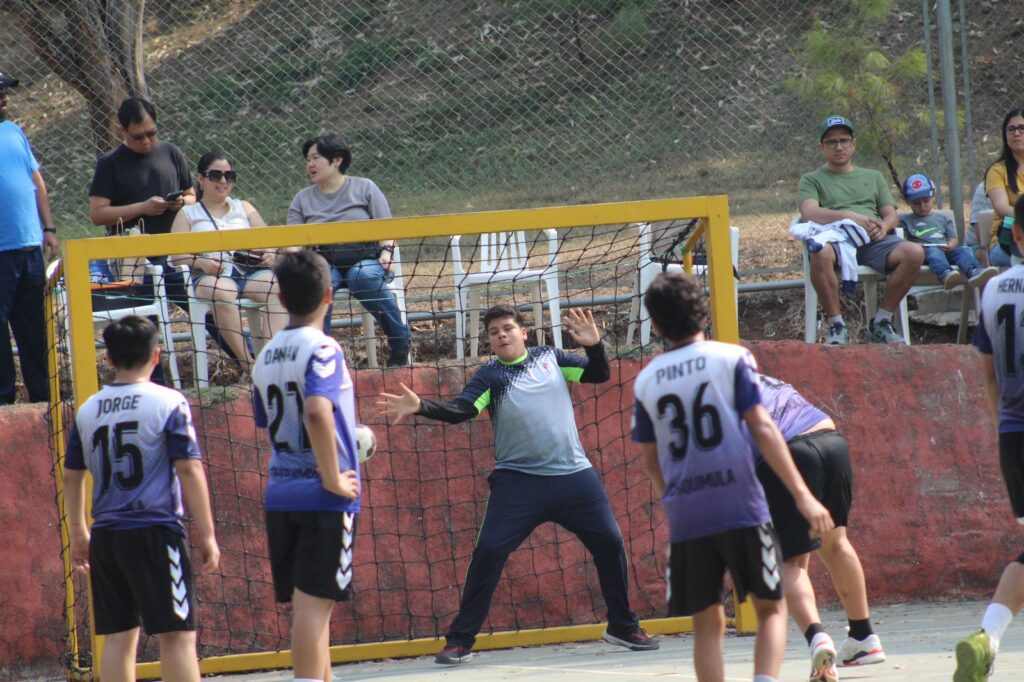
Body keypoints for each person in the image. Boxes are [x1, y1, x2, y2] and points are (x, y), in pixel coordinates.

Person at [378, 304, 658, 665]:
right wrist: (422, 407)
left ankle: (622, 626)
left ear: (524, 333)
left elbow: (599, 374)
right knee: (490, 551)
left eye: (508, 328)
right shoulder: (490, 377)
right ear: (490, 342)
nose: (501, 335)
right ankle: (460, 640)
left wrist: (594, 346)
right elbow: (463, 409)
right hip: (518, 483)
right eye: (494, 332)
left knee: (610, 541)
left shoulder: (551, 358)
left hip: (574, 477)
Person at [632, 271, 833, 682]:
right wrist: (802, 494)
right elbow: (761, 427)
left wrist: (673, 501)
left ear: (655, 324)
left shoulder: (647, 380)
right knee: (771, 607)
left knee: (707, 627)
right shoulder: (732, 358)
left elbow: (652, 460)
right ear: (703, 312)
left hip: (688, 516)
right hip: (741, 505)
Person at [62, 316, 219, 682]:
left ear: (109, 360)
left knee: (117, 638)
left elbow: (72, 475)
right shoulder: (168, 402)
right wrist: (208, 533)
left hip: (106, 536)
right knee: (177, 636)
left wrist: (79, 531)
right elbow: (189, 469)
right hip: (155, 532)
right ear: (157, 355)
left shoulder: (88, 410)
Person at [251, 249, 361, 682]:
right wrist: (332, 475)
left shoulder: (264, 357)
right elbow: (316, 412)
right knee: (315, 610)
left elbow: (269, 422)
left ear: (279, 297)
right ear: (329, 295)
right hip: (322, 496)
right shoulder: (324, 348)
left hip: (281, 492)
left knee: (310, 608)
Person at [753, 373, 886, 680]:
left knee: (790, 561)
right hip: (831, 439)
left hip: (793, 450)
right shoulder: (760, 376)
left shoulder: (713, 393)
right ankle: (863, 638)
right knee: (836, 543)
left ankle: (817, 638)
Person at [954, 195, 1024, 681]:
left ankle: (988, 637)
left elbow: (988, 377)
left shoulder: (996, 289)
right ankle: (988, 636)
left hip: (1013, 435)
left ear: (1017, 235)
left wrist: (1003, 425)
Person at [287, 132, 411, 367]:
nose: (310, 164)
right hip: (324, 263)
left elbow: (386, 228)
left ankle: (400, 340)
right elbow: (292, 242)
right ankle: (321, 356)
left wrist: (386, 253)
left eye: (316, 158)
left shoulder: (365, 188)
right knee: (318, 283)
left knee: (360, 276)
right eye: (307, 159)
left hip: (367, 258)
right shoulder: (302, 199)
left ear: (336, 160)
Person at [798, 116, 924, 345]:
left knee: (914, 252)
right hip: (835, 240)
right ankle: (837, 325)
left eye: (844, 140)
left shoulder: (873, 177)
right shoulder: (811, 179)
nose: (839, 146)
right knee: (820, 252)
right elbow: (809, 213)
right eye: (831, 142)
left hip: (872, 240)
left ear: (853, 144)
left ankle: (881, 322)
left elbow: (891, 214)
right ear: (821, 148)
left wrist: (884, 227)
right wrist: (847, 216)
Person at [170, 151, 284, 370]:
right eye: (215, 175)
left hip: (249, 272)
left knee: (277, 287)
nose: (223, 181)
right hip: (209, 277)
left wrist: (270, 253)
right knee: (222, 292)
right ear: (201, 179)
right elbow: (177, 257)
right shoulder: (188, 213)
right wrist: (201, 263)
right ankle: (248, 364)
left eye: (229, 176)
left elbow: (269, 239)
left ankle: (270, 363)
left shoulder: (244, 207)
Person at [0, 70, 56, 405]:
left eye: (5, 92)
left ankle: (44, 398)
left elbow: (36, 182)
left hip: (29, 247)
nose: (4, 98)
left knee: (34, 329)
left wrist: (48, 228)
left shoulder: (14, 131)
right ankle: (4, 404)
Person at [898, 173, 998, 290]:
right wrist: (913, 246)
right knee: (933, 251)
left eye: (926, 201)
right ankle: (945, 274)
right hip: (923, 255)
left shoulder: (943, 218)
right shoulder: (905, 220)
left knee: (962, 251)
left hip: (945, 250)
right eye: (916, 203)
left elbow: (953, 239)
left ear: (933, 197)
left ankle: (975, 271)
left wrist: (951, 245)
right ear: (907, 202)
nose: (922, 206)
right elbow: (900, 241)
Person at [984, 108, 1024, 266]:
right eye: (1011, 129)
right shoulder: (997, 171)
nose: (1016, 133)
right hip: (1006, 241)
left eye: (1022, 128)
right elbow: (1001, 207)